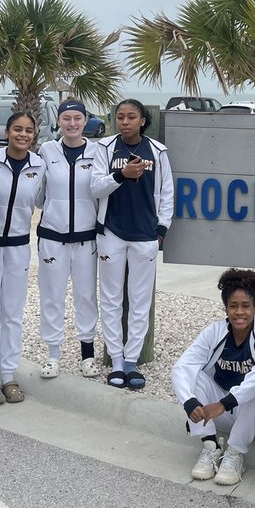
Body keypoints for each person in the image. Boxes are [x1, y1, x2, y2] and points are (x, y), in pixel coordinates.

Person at [90, 99, 173, 390]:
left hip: (145, 236)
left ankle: (131, 361)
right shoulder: (104, 148)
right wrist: (120, 175)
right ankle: (115, 359)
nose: (124, 122)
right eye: (120, 117)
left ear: (142, 121)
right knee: (111, 298)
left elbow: (166, 194)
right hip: (111, 232)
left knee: (140, 301)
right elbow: (95, 187)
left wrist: (160, 230)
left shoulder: (157, 152)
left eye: (131, 117)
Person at [172, 268, 255, 486]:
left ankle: (235, 454)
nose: (239, 312)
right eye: (233, 306)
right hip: (218, 411)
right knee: (194, 375)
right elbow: (182, 367)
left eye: (246, 306)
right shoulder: (215, 331)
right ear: (226, 308)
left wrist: (224, 403)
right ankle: (210, 446)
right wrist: (190, 402)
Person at [0, 111, 46, 406]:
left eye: (28, 130)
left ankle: (8, 374)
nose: (23, 134)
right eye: (17, 129)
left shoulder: (39, 165)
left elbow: (41, 200)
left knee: (12, 314)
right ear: (6, 132)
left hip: (18, 247)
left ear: (34, 135)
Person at [36, 100, 100, 380]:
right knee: (52, 296)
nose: (71, 123)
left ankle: (88, 354)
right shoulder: (47, 151)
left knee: (86, 296)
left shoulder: (98, 152)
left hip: (87, 240)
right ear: (58, 121)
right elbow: (39, 194)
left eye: (77, 118)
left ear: (85, 120)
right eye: (66, 118)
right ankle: (53, 355)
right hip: (52, 238)